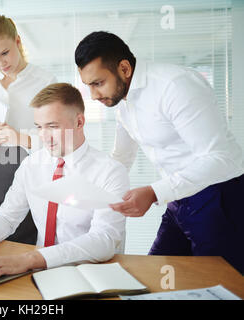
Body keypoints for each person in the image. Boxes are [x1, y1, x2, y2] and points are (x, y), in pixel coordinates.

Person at [75, 31, 244, 273]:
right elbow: (122, 157)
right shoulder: (124, 103)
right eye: (88, 86)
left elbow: (220, 158)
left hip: (219, 197)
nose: (93, 96)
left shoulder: (175, 86)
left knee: (219, 285)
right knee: (158, 276)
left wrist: (154, 192)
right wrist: (92, 191)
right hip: (178, 199)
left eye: (98, 83)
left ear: (124, 68)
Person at [0, 83, 129, 280]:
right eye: (39, 127)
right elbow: (8, 215)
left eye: (52, 127)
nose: (44, 137)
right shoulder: (31, 165)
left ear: (79, 122)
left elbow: (104, 240)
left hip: (91, 273)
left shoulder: (110, 171)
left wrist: (29, 259)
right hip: (41, 273)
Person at [0, 14, 57, 245]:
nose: (0, 63)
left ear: (18, 41)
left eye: (4, 53)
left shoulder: (45, 81)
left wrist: (20, 138)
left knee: (25, 246)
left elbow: (57, 137)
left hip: (29, 173)